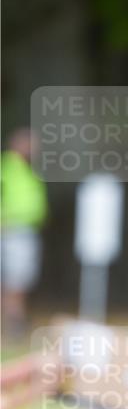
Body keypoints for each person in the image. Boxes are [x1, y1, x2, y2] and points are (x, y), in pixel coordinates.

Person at [0, 129, 47, 337]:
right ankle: (13, 322)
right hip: (12, 230)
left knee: (17, 279)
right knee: (14, 279)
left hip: (24, 231)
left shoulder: (26, 169)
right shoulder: (8, 168)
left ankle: (13, 321)